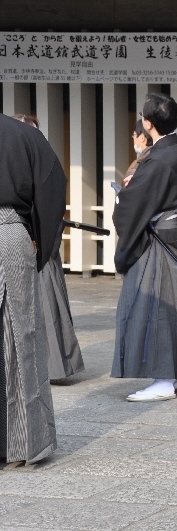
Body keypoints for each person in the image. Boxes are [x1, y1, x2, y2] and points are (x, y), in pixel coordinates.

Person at [111, 93, 177, 401]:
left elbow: (133, 204)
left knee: (157, 302)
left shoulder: (155, 161)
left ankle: (164, 377)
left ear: (148, 124)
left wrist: (120, 197)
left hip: (160, 238)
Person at [1, 113, 67, 463]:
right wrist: (40, 239)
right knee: (21, 337)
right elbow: (53, 183)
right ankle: (24, 443)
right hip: (10, 231)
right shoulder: (23, 134)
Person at [12, 114, 84, 380]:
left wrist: (41, 238)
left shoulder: (44, 162)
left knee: (49, 307)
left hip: (40, 239)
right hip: (20, 237)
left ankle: (55, 365)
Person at [123, 119, 153, 187]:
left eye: (134, 135)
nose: (133, 138)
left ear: (142, 138)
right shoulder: (158, 154)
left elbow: (127, 186)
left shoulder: (142, 161)